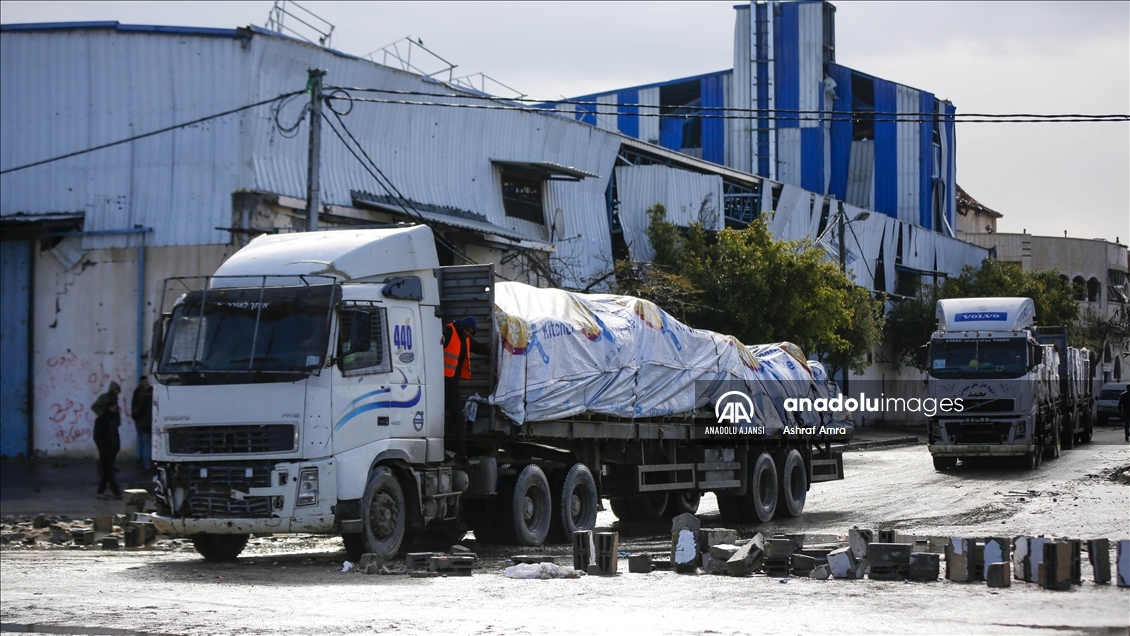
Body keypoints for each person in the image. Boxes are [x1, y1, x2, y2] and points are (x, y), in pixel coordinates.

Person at [441, 316, 490, 455]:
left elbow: (477, 347)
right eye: (467, 330)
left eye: (470, 332)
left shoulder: (466, 339)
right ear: (463, 326)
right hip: (439, 385)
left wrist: (491, 350)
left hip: (451, 386)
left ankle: (461, 455)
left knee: (459, 418)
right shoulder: (448, 331)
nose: (468, 333)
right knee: (439, 417)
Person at [91, 382, 123, 500]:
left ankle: (101, 492)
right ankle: (116, 492)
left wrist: (117, 446)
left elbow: (115, 434)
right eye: (113, 408)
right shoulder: (102, 420)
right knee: (108, 471)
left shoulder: (113, 420)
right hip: (105, 448)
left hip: (112, 447)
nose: (115, 409)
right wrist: (102, 447)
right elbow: (97, 436)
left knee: (107, 472)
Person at [131, 376, 154, 471]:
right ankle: (148, 464)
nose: (145, 383)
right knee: (148, 444)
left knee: (145, 444)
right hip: (148, 423)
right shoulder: (152, 400)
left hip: (144, 423)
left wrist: (136, 415)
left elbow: (137, 409)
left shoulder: (141, 395)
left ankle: (146, 464)